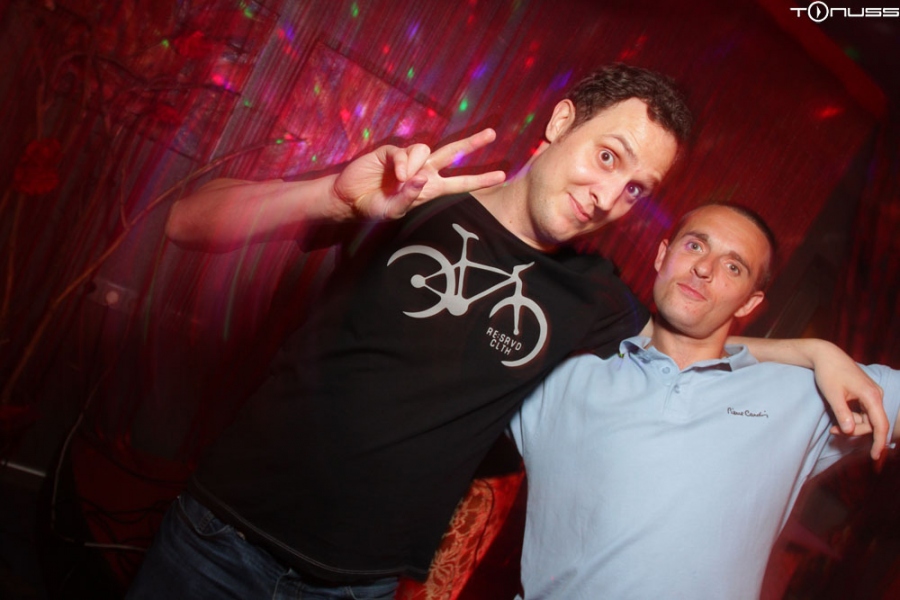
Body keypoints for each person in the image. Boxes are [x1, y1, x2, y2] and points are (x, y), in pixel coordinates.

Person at [127, 65, 886, 599]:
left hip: (355, 590)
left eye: (635, 188)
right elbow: (187, 222)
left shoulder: (594, 299)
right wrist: (329, 196)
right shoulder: (414, 190)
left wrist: (814, 350)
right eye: (607, 157)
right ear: (560, 123)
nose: (607, 196)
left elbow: (686, 343)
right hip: (218, 541)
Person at [510, 204, 900, 600]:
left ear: (749, 303)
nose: (704, 269)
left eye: (733, 267)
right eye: (695, 246)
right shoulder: (566, 380)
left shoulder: (808, 394)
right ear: (662, 255)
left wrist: (818, 354)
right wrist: (809, 349)